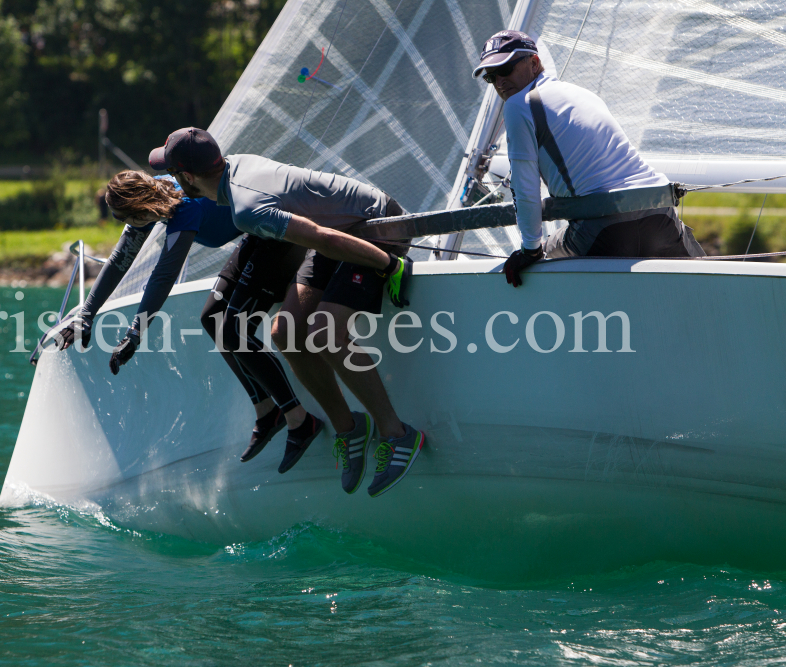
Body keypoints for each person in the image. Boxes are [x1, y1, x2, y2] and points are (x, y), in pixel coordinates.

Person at [149, 127, 425, 498]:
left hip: (377, 226)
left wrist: (390, 266)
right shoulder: (235, 167)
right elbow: (319, 237)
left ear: (185, 177)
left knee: (325, 332)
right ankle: (349, 428)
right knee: (284, 331)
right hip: (338, 234)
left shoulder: (245, 208)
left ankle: (398, 434)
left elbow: (322, 238)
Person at [55, 170, 313, 464]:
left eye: (121, 216)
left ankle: (299, 419)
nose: (121, 223)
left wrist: (135, 333)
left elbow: (163, 276)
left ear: (138, 208)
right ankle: (268, 411)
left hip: (279, 235)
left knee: (232, 330)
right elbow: (119, 260)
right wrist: (85, 316)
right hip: (256, 236)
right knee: (212, 318)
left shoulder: (184, 205)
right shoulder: (153, 198)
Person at [472, 30, 705, 286]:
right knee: (708, 284)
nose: (499, 83)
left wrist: (530, 250)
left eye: (505, 69)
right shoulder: (582, 93)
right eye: (490, 78)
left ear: (534, 63)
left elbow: (525, 188)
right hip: (659, 214)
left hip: (605, 228)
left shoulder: (517, 105)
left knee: (535, 261)